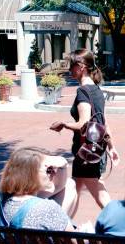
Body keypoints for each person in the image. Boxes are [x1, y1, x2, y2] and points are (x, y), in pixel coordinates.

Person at [50, 49, 119, 209]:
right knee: (75, 188)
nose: (69, 70)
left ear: (81, 66)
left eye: (71, 65)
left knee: (99, 196)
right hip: (95, 150)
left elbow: (83, 123)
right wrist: (111, 147)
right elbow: (104, 123)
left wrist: (63, 124)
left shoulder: (83, 91)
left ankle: (118, 226)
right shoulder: (97, 90)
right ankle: (64, 229)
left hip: (85, 152)